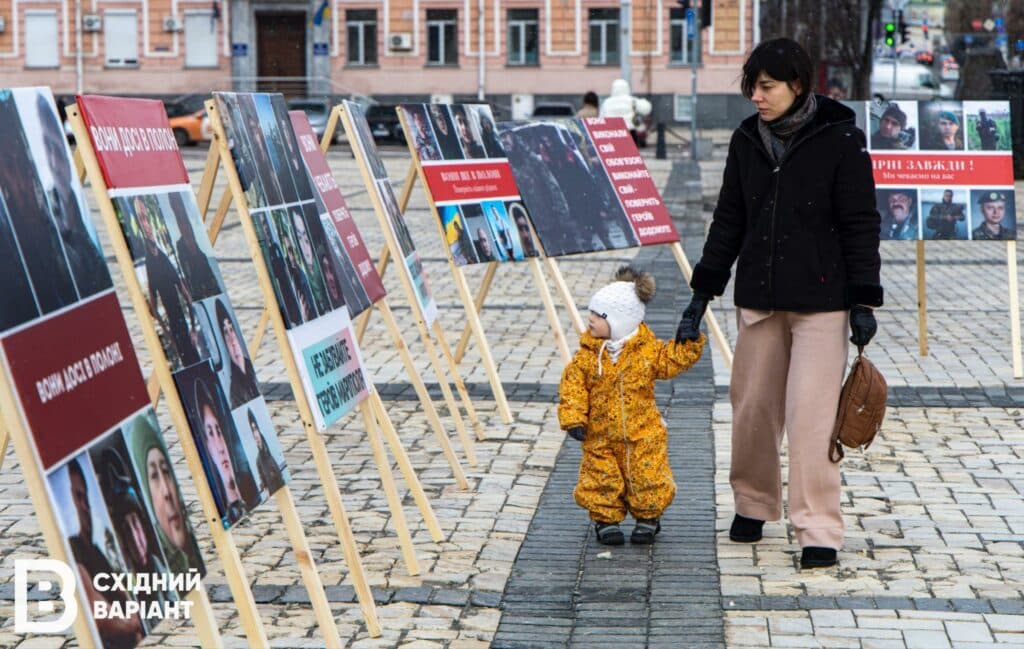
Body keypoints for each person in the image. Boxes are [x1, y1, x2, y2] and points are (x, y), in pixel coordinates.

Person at [678, 38, 882, 570]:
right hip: (761, 297)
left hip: (821, 302)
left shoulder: (842, 138)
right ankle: (753, 502)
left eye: (766, 87)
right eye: (752, 88)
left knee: (811, 419)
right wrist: (702, 292)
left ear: (797, 84)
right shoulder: (748, 139)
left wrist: (863, 300)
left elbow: (862, 224)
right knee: (752, 409)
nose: (757, 98)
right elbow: (729, 220)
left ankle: (818, 529)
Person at [560, 267, 705, 545]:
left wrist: (689, 342)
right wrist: (574, 418)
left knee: (647, 475)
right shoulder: (588, 356)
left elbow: (670, 360)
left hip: (643, 432)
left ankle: (648, 518)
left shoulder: (647, 351)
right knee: (601, 476)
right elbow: (573, 387)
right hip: (600, 434)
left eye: (598, 315)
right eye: (590, 312)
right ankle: (605, 519)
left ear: (619, 322)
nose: (589, 319)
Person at [38, 91, 112, 299]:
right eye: (47, 146)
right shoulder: (41, 208)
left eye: (57, 147)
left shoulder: (79, 214)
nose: (53, 160)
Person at [65, 458, 145, 647]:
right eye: (78, 497)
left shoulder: (95, 550)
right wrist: (134, 623)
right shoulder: (72, 548)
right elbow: (98, 610)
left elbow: (120, 590)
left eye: (85, 496)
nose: (84, 505)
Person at [129, 416, 203, 582]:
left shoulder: (195, 552)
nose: (166, 491)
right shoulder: (156, 575)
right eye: (154, 476)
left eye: (166, 471)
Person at [137, 196, 201, 368]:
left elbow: (186, 295)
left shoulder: (164, 258)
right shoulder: (149, 264)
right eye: (142, 219)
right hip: (174, 327)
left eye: (147, 219)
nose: (147, 225)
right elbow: (154, 309)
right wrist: (168, 336)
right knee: (188, 364)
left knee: (196, 360)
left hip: (185, 324)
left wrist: (193, 328)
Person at [193, 377, 262, 526]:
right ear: (208, 448)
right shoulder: (221, 510)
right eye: (210, 433)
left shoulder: (255, 489)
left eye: (218, 431)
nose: (220, 447)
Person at [172, 193, 220, 300]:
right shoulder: (181, 246)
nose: (184, 226)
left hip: (204, 283)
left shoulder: (192, 245)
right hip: (197, 288)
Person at [216, 299, 259, 408]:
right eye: (226, 333)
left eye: (231, 329)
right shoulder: (235, 393)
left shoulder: (252, 372)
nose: (232, 340)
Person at [600, 79, 652, 146]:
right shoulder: (632, 101)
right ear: (627, 88)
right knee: (630, 154)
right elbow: (646, 108)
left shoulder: (606, 103)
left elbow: (601, 119)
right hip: (629, 132)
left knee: (615, 154)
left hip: (612, 134)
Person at [247, 408, 286, 495]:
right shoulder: (258, 460)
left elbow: (277, 470)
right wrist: (265, 488)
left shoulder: (268, 451)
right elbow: (263, 481)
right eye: (252, 430)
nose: (255, 434)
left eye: (256, 429)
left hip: (280, 483)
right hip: (272, 489)